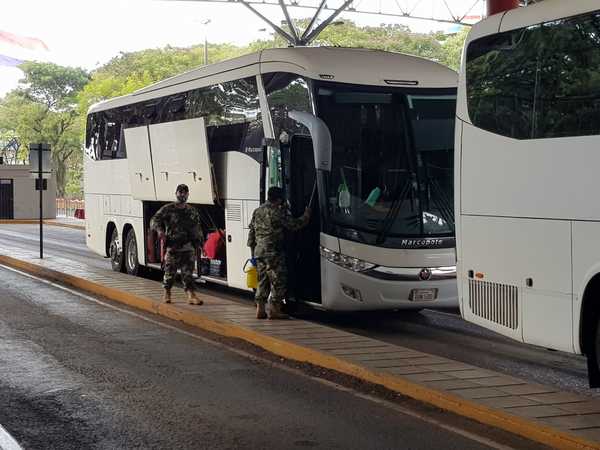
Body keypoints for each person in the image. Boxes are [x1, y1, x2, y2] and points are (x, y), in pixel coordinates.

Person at [247, 186, 311, 319]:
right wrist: (307, 215)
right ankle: (275, 310)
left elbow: (251, 232)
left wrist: (252, 251)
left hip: (259, 251)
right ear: (280, 199)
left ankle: (260, 308)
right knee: (278, 280)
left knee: (262, 280)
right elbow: (294, 225)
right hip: (273, 251)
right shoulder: (277, 212)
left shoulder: (257, 211)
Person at [150, 184, 204, 305]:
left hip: (188, 247)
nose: (182, 195)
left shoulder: (192, 211)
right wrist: (160, 230)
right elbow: (154, 220)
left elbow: (197, 228)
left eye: (185, 192)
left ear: (188, 194)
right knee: (170, 272)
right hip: (173, 246)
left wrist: (200, 244)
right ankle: (167, 293)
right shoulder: (168, 209)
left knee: (188, 273)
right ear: (176, 193)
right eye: (180, 192)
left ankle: (191, 295)